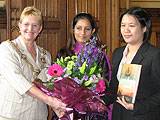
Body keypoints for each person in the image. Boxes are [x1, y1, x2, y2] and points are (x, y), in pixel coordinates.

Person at [0, 6, 66, 120]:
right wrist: (50, 101)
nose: (30, 28)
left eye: (35, 25)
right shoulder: (6, 48)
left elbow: (47, 86)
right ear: (19, 26)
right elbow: (19, 81)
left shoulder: (46, 55)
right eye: (26, 24)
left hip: (38, 115)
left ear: (40, 28)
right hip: (13, 115)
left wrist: (56, 107)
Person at [53, 12, 111, 120]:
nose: (82, 33)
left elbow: (105, 84)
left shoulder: (99, 56)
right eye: (79, 28)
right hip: (67, 110)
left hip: (91, 112)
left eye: (87, 29)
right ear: (73, 30)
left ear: (93, 31)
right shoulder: (63, 53)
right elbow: (55, 83)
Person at [105, 7, 160, 120]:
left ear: (144, 28)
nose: (126, 30)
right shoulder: (118, 53)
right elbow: (114, 87)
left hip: (143, 115)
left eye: (131, 26)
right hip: (119, 115)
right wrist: (95, 100)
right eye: (123, 25)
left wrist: (138, 107)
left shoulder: (154, 55)